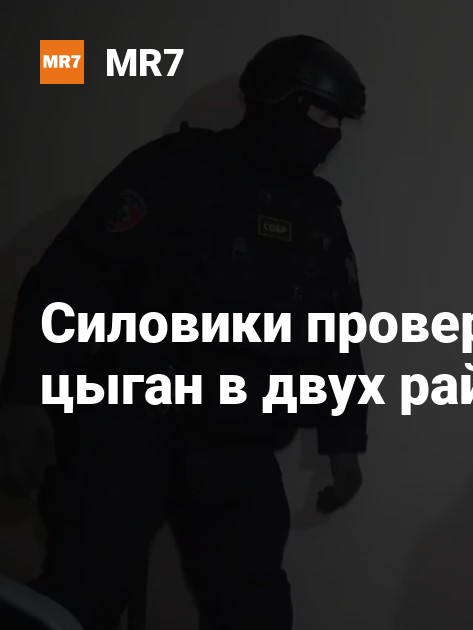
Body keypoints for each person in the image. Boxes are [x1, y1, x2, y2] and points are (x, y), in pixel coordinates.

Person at [0, 35, 370, 630]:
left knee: (255, 608)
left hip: (238, 437)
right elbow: (70, 278)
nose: (333, 135)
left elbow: (337, 326)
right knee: (81, 595)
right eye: (324, 116)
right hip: (126, 426)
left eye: (340, 122)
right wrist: (23, 396)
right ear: (279, 100)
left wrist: (344, 440)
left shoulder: (315, 208)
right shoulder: (176, 169)